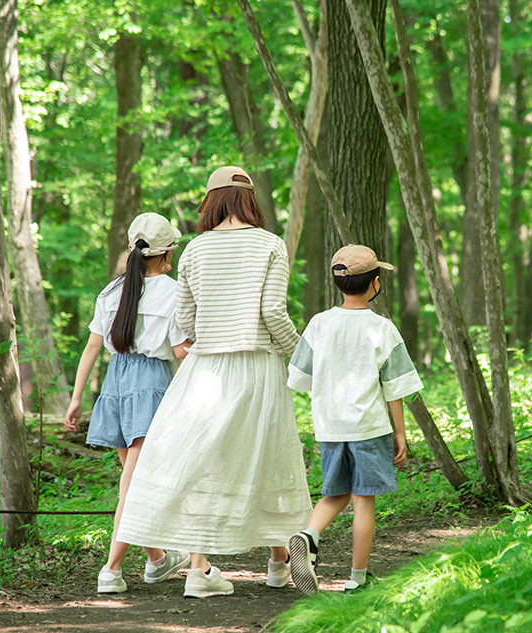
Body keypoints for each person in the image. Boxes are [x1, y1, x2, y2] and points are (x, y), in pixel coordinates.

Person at [115, 166, 313, 599]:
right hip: (258, 365)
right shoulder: (271, 245)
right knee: (269, 455)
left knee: (206, 462)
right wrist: (301, 356)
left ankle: (199, 570)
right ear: (250, 200)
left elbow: (184, 320)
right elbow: (274, 313)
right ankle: (279, 564)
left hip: (205, 369)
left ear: (211, 201)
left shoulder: (196, 250)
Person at [63, 212, 192, 594]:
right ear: (168, 253)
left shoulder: (111, 291)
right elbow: (182, 351)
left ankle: (156, 560)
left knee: (132, 483)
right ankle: (111, 569)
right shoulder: (174, 291)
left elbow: (91, 347)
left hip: (114, 382)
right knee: (131, 485)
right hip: (150, 382)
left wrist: (76, 399)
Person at [286, 245, 424, 595]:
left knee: (334, 493)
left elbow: (300, 377)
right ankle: (356, 579)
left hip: (331, 426)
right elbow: (395, 389)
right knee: (363, 501)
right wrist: (400, 434)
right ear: (375, 283)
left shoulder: (319, 324)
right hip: (370, 428)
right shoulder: (383, 329)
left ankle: (308, 535)